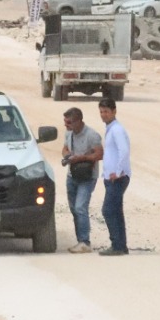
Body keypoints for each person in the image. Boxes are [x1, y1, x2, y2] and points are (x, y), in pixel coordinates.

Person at [59, 106, 103, 253]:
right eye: (65, 122)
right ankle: (80, 241)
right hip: (72, 175)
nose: (67, 125)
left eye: (69, 122)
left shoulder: (92, 135)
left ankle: (85, 241)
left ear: (79, 121)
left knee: (80, 208)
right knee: (73, 209)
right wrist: (68, 155)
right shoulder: (68, 133)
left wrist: (82, 158)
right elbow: (64, 149)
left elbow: (99, 154)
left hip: (87, 177)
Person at [97, 96, 131, 255]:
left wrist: (118, 172)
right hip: (111, 177)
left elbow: (124, 151)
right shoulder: (111, 128)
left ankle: (116, 245)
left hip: (117, 178)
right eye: (101, 112)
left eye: (106, 112)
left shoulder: (117, 129)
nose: (104, 114)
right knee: (116, 210)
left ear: (114, 111)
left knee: (108, 210)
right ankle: (121, 245)